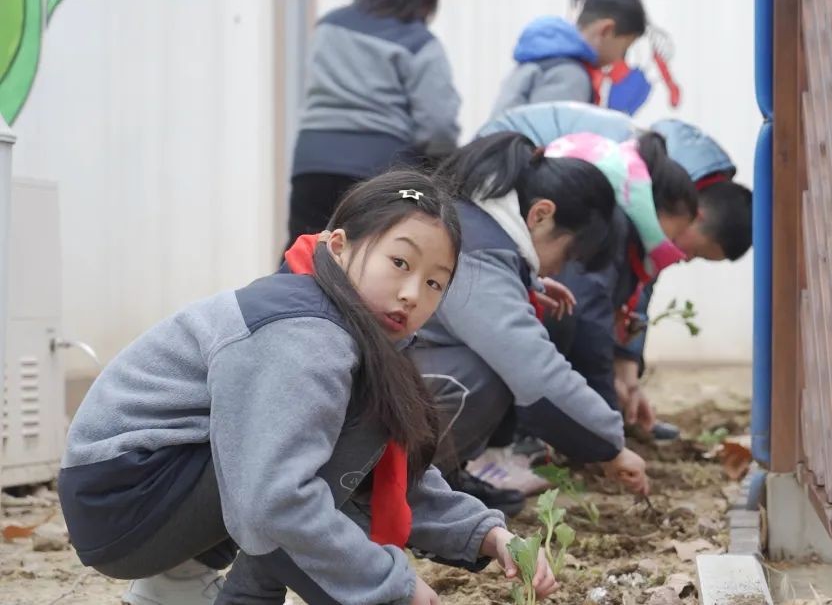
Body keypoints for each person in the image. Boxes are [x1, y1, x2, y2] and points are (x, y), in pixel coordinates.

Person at [59, 171, 556, 605]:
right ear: (338, 246)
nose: (412, 293)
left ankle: (176, 584)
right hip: (126, 497)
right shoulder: (304, 333)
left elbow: (390, 474)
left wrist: (485, 533)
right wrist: (388, 587)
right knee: (309, 464)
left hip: (145, 489)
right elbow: (274, 499)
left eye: (435, 283)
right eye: (400, 263)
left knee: (325, 451)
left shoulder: (348, 328)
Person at [478, 102, 752, 438]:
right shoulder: (644, 189)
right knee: (562, 309)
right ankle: (527, 436)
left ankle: (569, 424)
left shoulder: (662, 195)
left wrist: (626, 370)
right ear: (698, 216)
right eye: (695, 252)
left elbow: (637, 283)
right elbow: (602, 295)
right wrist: (606, 429)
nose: (684, 257)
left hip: (543, 203)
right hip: (505, 185)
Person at [411, 132, 650, 516]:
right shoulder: (479, 256)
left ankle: (432, 482)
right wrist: (611, 445)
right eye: (568, 252)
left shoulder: (465, 221)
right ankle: (401, 491)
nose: (562, 268)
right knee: (480, 373)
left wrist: (524, 282)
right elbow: (537, 371)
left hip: (355, 377)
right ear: (540, 215)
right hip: (349, 395)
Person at [288, 0, 461, 245]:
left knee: (304, 251)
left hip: (313, 160)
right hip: (381, 168)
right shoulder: (419, 42)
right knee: (369, 257)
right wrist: (442, 170)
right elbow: (439, 125)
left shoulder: (329, 25)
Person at [490, 0, 647, 118]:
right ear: (606, 31)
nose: (620, 59)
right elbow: (549, 145)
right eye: (625, 48)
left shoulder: (545, 58)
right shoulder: (570, 74)